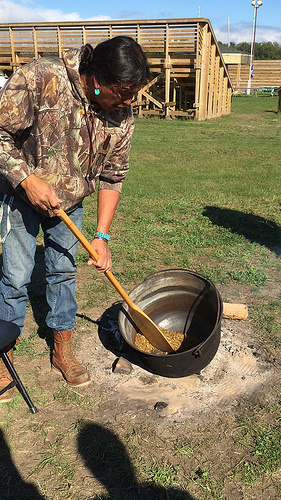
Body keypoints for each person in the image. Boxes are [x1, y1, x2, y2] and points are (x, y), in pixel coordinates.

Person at [0, 36, 150, 402]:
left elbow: (113, 176)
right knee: (16, 276)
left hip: (70, 205)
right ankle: (4, 350)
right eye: (123, 92)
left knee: (64, 272)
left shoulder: (121, 115)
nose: (128, 102)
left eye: (134, 93)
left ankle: (62, 345)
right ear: (96, 79)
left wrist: (102, 235)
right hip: (20, 196)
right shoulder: (40, 77)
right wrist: (26, 178)